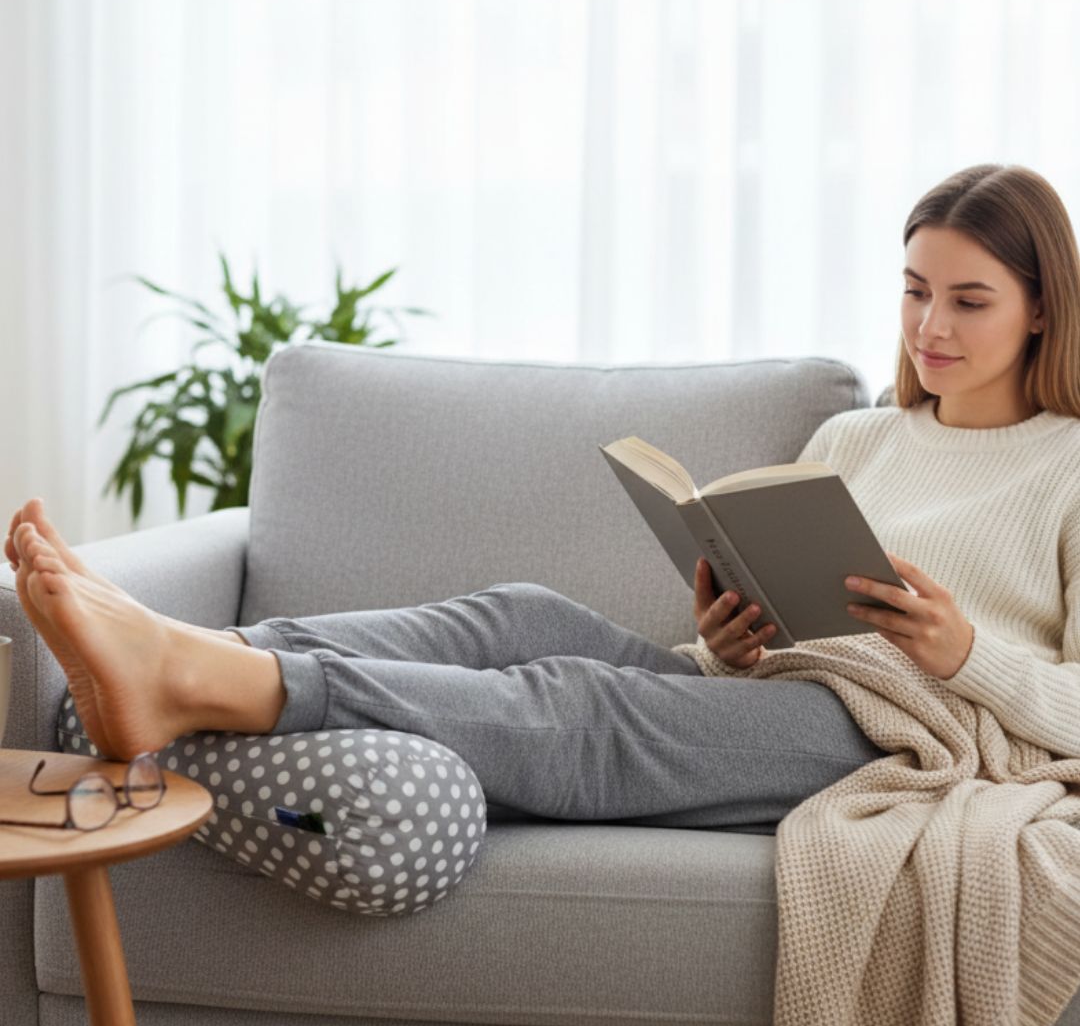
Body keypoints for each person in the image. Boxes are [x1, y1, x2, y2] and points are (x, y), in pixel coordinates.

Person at [8, 161, 1080, 831]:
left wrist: (964, 653)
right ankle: (194, 645)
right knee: (520, 613)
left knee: (578, 703)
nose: (928, 326)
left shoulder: (1066, 468)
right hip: (780, 695)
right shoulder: (854, 435)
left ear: (1041, 309)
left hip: (906, 733)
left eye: (968, 300)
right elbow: (757, 651)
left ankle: (202, 681)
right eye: (913, 290)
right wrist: (728, 639)